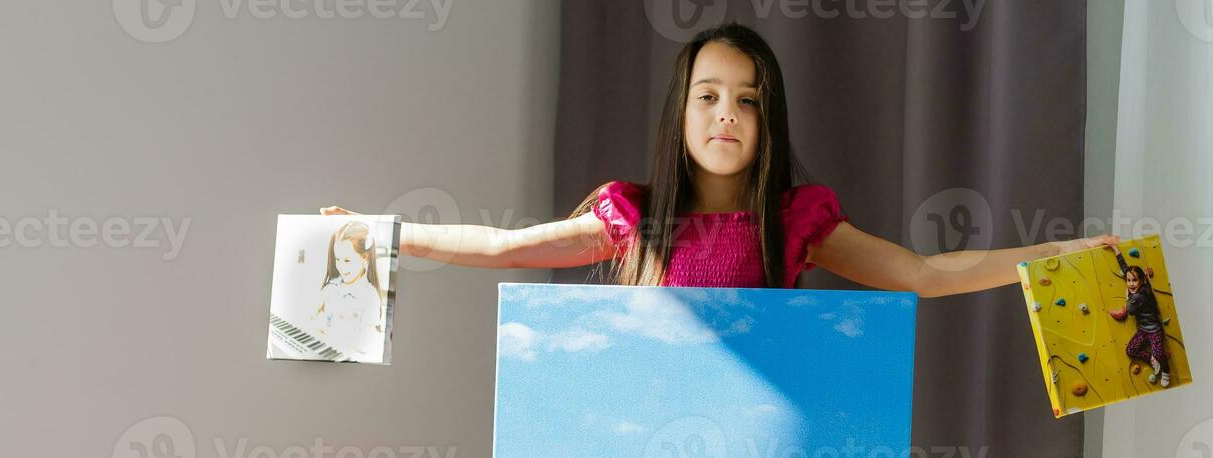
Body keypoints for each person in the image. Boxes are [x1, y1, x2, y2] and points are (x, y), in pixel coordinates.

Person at [321, 22, 1116, 297]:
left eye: (747, 98)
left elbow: (924, 274)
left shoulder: (796, 220)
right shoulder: (628, 218)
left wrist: (1059, 256)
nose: (727, 114)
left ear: (767, 120)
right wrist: (382, 232)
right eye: (708, 95)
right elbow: (501, 247)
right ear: (682, 112)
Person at [309, 220, 385, 358]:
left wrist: (331, 332)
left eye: (347, 261)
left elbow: (365, 343)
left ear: (365, 258)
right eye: (337, 259)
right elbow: (312, 319)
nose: (341, 267)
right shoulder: (331, 287)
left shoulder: (369, 295)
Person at [1107, 243, 1171, 387]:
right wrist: (1116, 249)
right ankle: (1152, 360)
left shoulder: (1139, 295)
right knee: (1130, 350)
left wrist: (1127, 297)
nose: (1130, 284)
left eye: (1134, 280)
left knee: (1160, 353)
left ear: (1142, 281)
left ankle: (1166, 372)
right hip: (1142, 330)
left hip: (1154, 330)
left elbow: (1130, 311)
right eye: (1128, 280)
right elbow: (1126, 269)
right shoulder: (1139, 286)